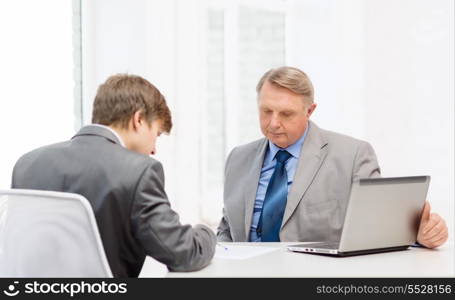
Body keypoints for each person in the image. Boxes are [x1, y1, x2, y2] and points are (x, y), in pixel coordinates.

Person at [217, 66, 448, 248]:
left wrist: (419, 235)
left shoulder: (352, 156)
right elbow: (227, 229)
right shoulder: (238, 158)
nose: (274, 123)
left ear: (310, 111)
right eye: (266, 111)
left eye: (286, 114)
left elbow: (380, 228)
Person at [12, 74, 216, 277]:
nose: (154, 149)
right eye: (157, 134)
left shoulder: (27, 164)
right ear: (139, 120)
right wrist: (206, 233)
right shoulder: (139, 171)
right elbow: (183, 254)